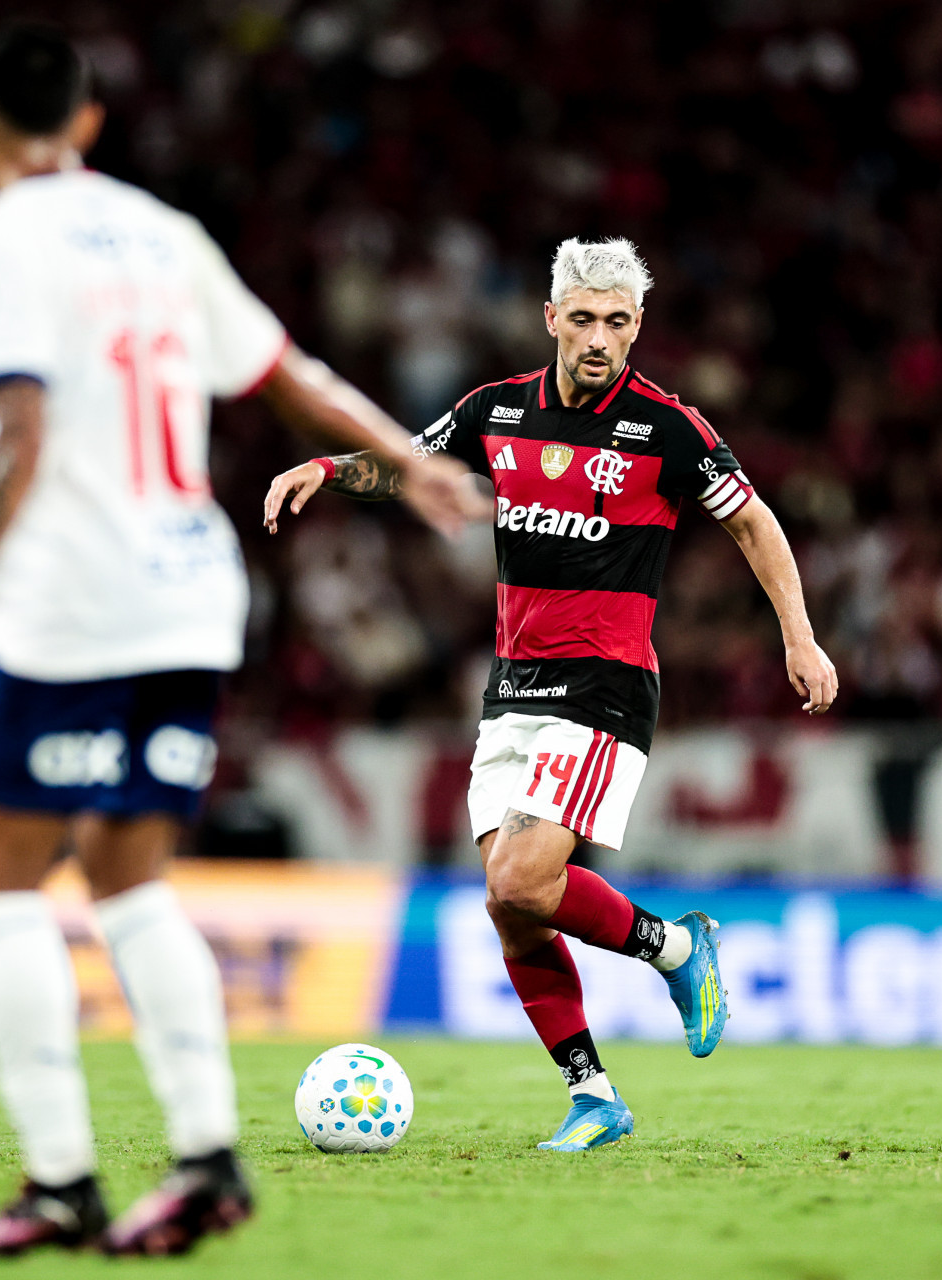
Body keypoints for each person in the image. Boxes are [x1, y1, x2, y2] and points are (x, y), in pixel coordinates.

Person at [0, 24, 484, 1257]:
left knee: (2, 885)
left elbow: (17, 425)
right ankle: (209, 1163)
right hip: (189, 592)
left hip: (69, 598)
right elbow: (287, 369)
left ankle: (62, 1181)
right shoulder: (166, 234)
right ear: (91, 120)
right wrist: (408, 458)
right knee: (130, 877)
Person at [265, 236, 839, 1152]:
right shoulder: (495, 411)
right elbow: (413, 470)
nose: (600, 338)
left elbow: (756, 525)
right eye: (583, 319)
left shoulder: (670, 429)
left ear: (638, 326)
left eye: (618, 321)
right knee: (511, 904)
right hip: (513, 692)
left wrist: (799, 636)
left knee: (524, 878)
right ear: (551, 320)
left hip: (607, 687)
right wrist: (328, 471)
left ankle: (680, 951)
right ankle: (594, 1095)